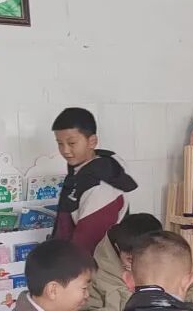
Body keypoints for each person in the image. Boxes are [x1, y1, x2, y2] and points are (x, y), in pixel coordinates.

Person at [70, 212, 193, 311]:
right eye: (130, 260)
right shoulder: (94, 274)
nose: (137, 265)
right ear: (117, 248)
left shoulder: (163, 257)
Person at [51, 107, 137, 255]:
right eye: (60, 143)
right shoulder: (81, 171)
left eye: (72, 143)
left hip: (90, 265)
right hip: (70, 259)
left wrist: (64, 266)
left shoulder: (100, 186)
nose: (65, 150)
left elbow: (89, 245)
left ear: (92, 141)